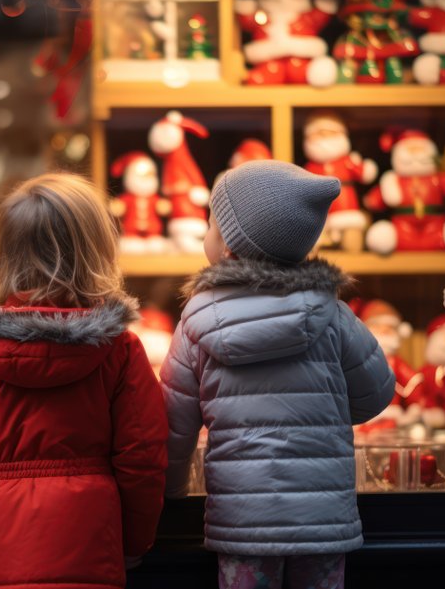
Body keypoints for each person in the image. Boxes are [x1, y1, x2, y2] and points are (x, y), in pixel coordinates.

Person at [161, 160, 395, 589]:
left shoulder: (196, 322)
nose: (206, 233)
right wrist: (326, 414)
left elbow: (174, 426)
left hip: (242, 521)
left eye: (212, 224)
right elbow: (375, 395)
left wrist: (172, 494)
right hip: (323, 520)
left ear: (229, 246)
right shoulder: (334, 316)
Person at [0, 173, 169, 589]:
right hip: (95, 547)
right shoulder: (121, 350)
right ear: (97, 250)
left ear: (3, 255)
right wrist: (133, 543)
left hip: (4, 551)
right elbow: (143, 458)